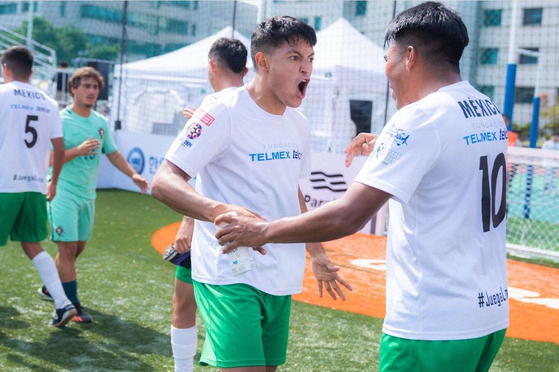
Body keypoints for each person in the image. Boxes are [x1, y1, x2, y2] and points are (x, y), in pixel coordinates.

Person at [215, 3, 509, 372]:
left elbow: (348, 214)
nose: (386, 70)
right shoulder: (486, 109)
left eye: (388, 57)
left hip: (433, 321)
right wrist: (388, 143)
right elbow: (447, 160)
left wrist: (261, 230)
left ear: (410, 57)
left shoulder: (418, 119)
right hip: (489, 316)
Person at [152, 16, 351, 372]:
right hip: (229, 270)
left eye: (310, 59)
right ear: (262, 61)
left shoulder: (299, 123)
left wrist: (317, 254)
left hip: (281, 275)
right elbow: (164, 180)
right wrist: (218, 210)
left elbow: (293, 190)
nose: (305, 69)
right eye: (294, 58)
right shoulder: (221, 110)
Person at [38, 66, 149, 324]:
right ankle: (70, 305)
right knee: (66, 248)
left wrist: (133, 174)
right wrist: (77, 150)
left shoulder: (99, 121)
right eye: (86, 86)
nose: (91, 91)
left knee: (78, 247)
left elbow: (113, 153)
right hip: (62, 190)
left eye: (95, 87)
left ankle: (50, 287)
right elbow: (49, 159)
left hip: (88, 195)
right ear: (73, 88)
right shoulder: (61, 120)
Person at [169, 37, 249, 372]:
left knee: (184, 300)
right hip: (257, 228)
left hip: (214, 229)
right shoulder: (263, 104)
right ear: (247, 69)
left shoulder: (213, 105)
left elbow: (183, 174)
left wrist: (188, 222)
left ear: (211, 65)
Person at [0, 46, 77, 327]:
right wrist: (53, 181)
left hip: (3, 183)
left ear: (5, 68)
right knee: (32, 244)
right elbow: (59, 147)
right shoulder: (48, 102)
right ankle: (63, 302)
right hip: (33, 185)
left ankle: (62, 303)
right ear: (31, 72)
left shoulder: (2, 94)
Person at [503, 114, 522, 191]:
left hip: (510, 165)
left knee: (505, 186)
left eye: (504, 121)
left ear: (508, 123)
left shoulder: (513, 136)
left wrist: (517, 162)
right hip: (497, 164)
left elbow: (519, 150)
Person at [542, 131, 559, 196]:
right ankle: (550, 189)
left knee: (549, 176)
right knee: (549, 176)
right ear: (551, 137)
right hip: (547, 163)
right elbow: (542, 152)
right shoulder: (547, 143)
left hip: (554, 164)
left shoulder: (558, 145)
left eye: (556, 136)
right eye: (554, 136)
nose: (555, 137)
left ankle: (548, 189)